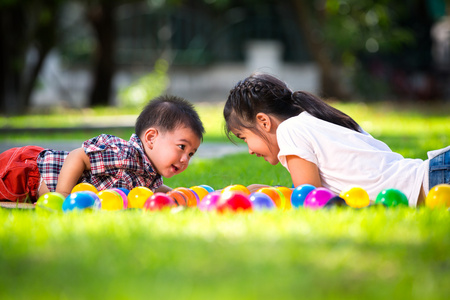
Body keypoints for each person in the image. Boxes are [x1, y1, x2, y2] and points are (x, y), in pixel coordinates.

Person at [223, 72, 450, 206]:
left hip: (435, 180)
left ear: (264, 121)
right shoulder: (317, 118)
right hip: (435, 172)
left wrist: (267, 194)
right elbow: (324, 194)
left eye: (244, 137)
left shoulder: (289, 130)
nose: (250, 150)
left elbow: (310, 199)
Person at [0, 95, 204, 202]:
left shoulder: (148, 174)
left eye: (191, 153)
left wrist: (180, 195)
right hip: (27, 172)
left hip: (29, 177)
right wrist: (62, 194)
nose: (185, 158)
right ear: (151, 138)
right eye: (181, 147)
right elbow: (78, 156)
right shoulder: (124, 154)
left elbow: (153, 190)